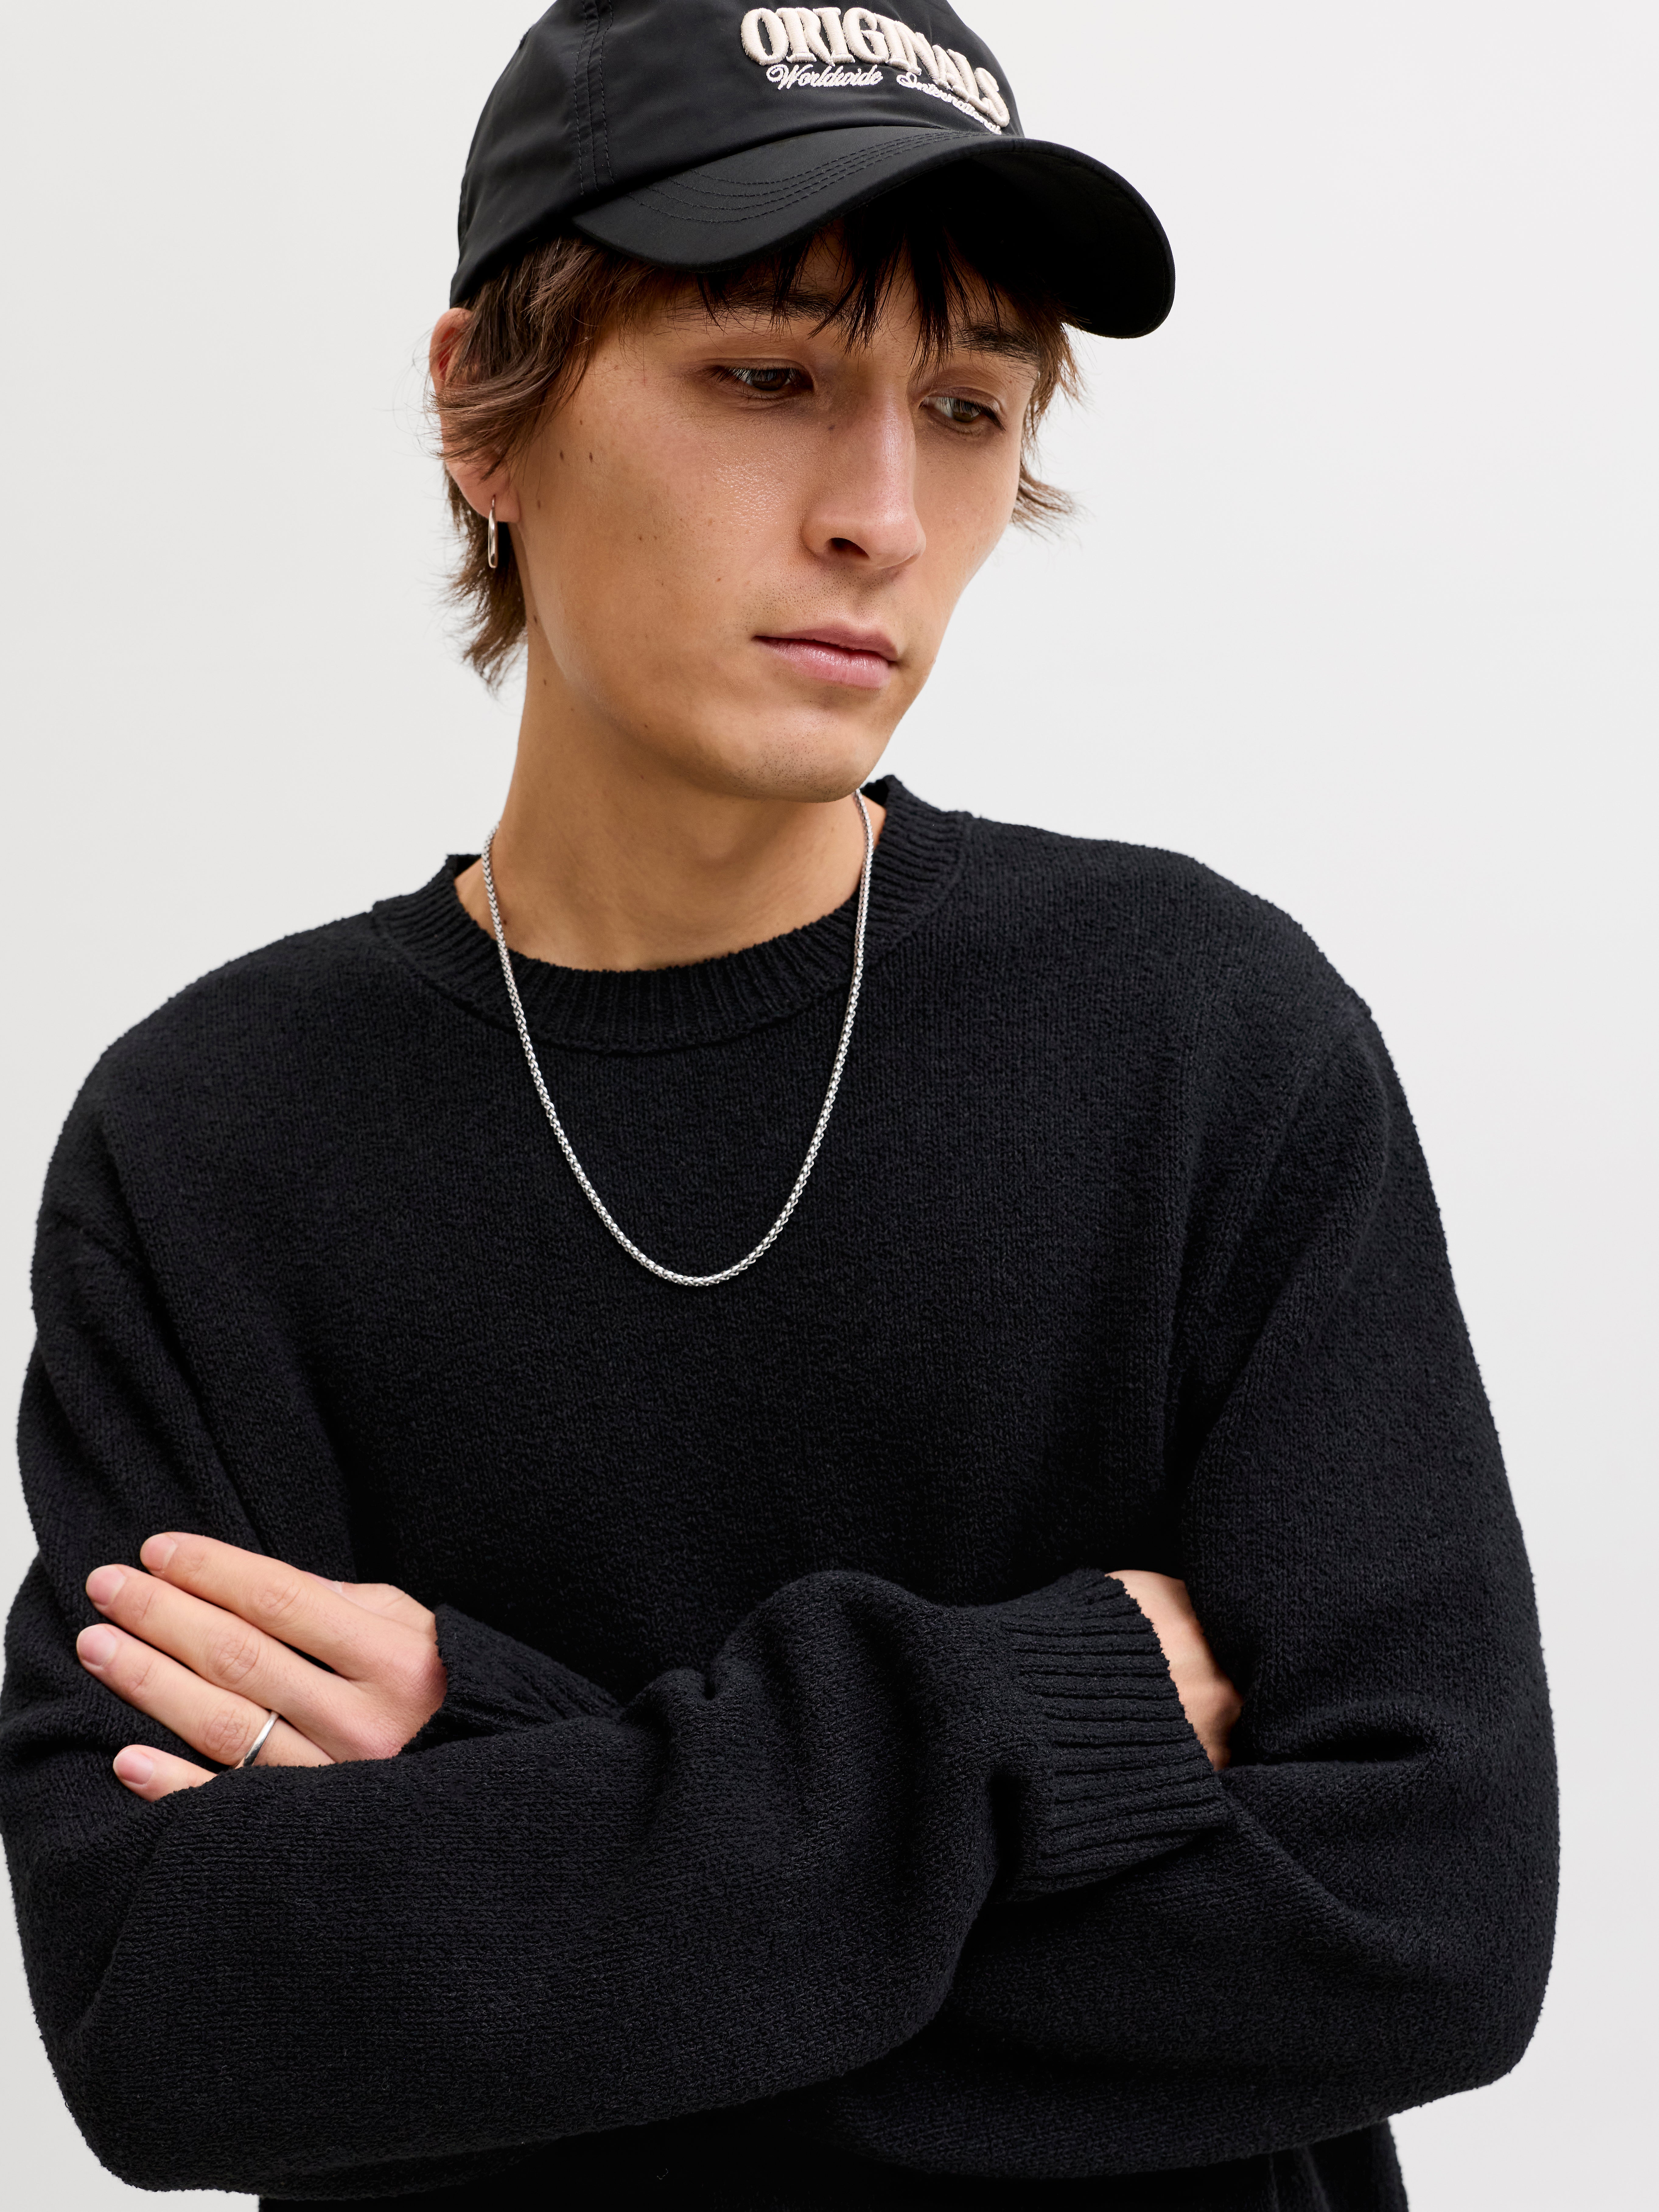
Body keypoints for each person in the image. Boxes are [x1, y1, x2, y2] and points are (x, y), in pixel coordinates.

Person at [0, 4, 1556, 2207]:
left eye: (969, 407)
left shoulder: (1208, 1040)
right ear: (480, 411)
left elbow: (1423, 1928)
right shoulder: (215, 1143)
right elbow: (174, 2010)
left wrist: (489, 1768)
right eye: (765, 376)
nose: (881, 517)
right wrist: (1051, 1706)